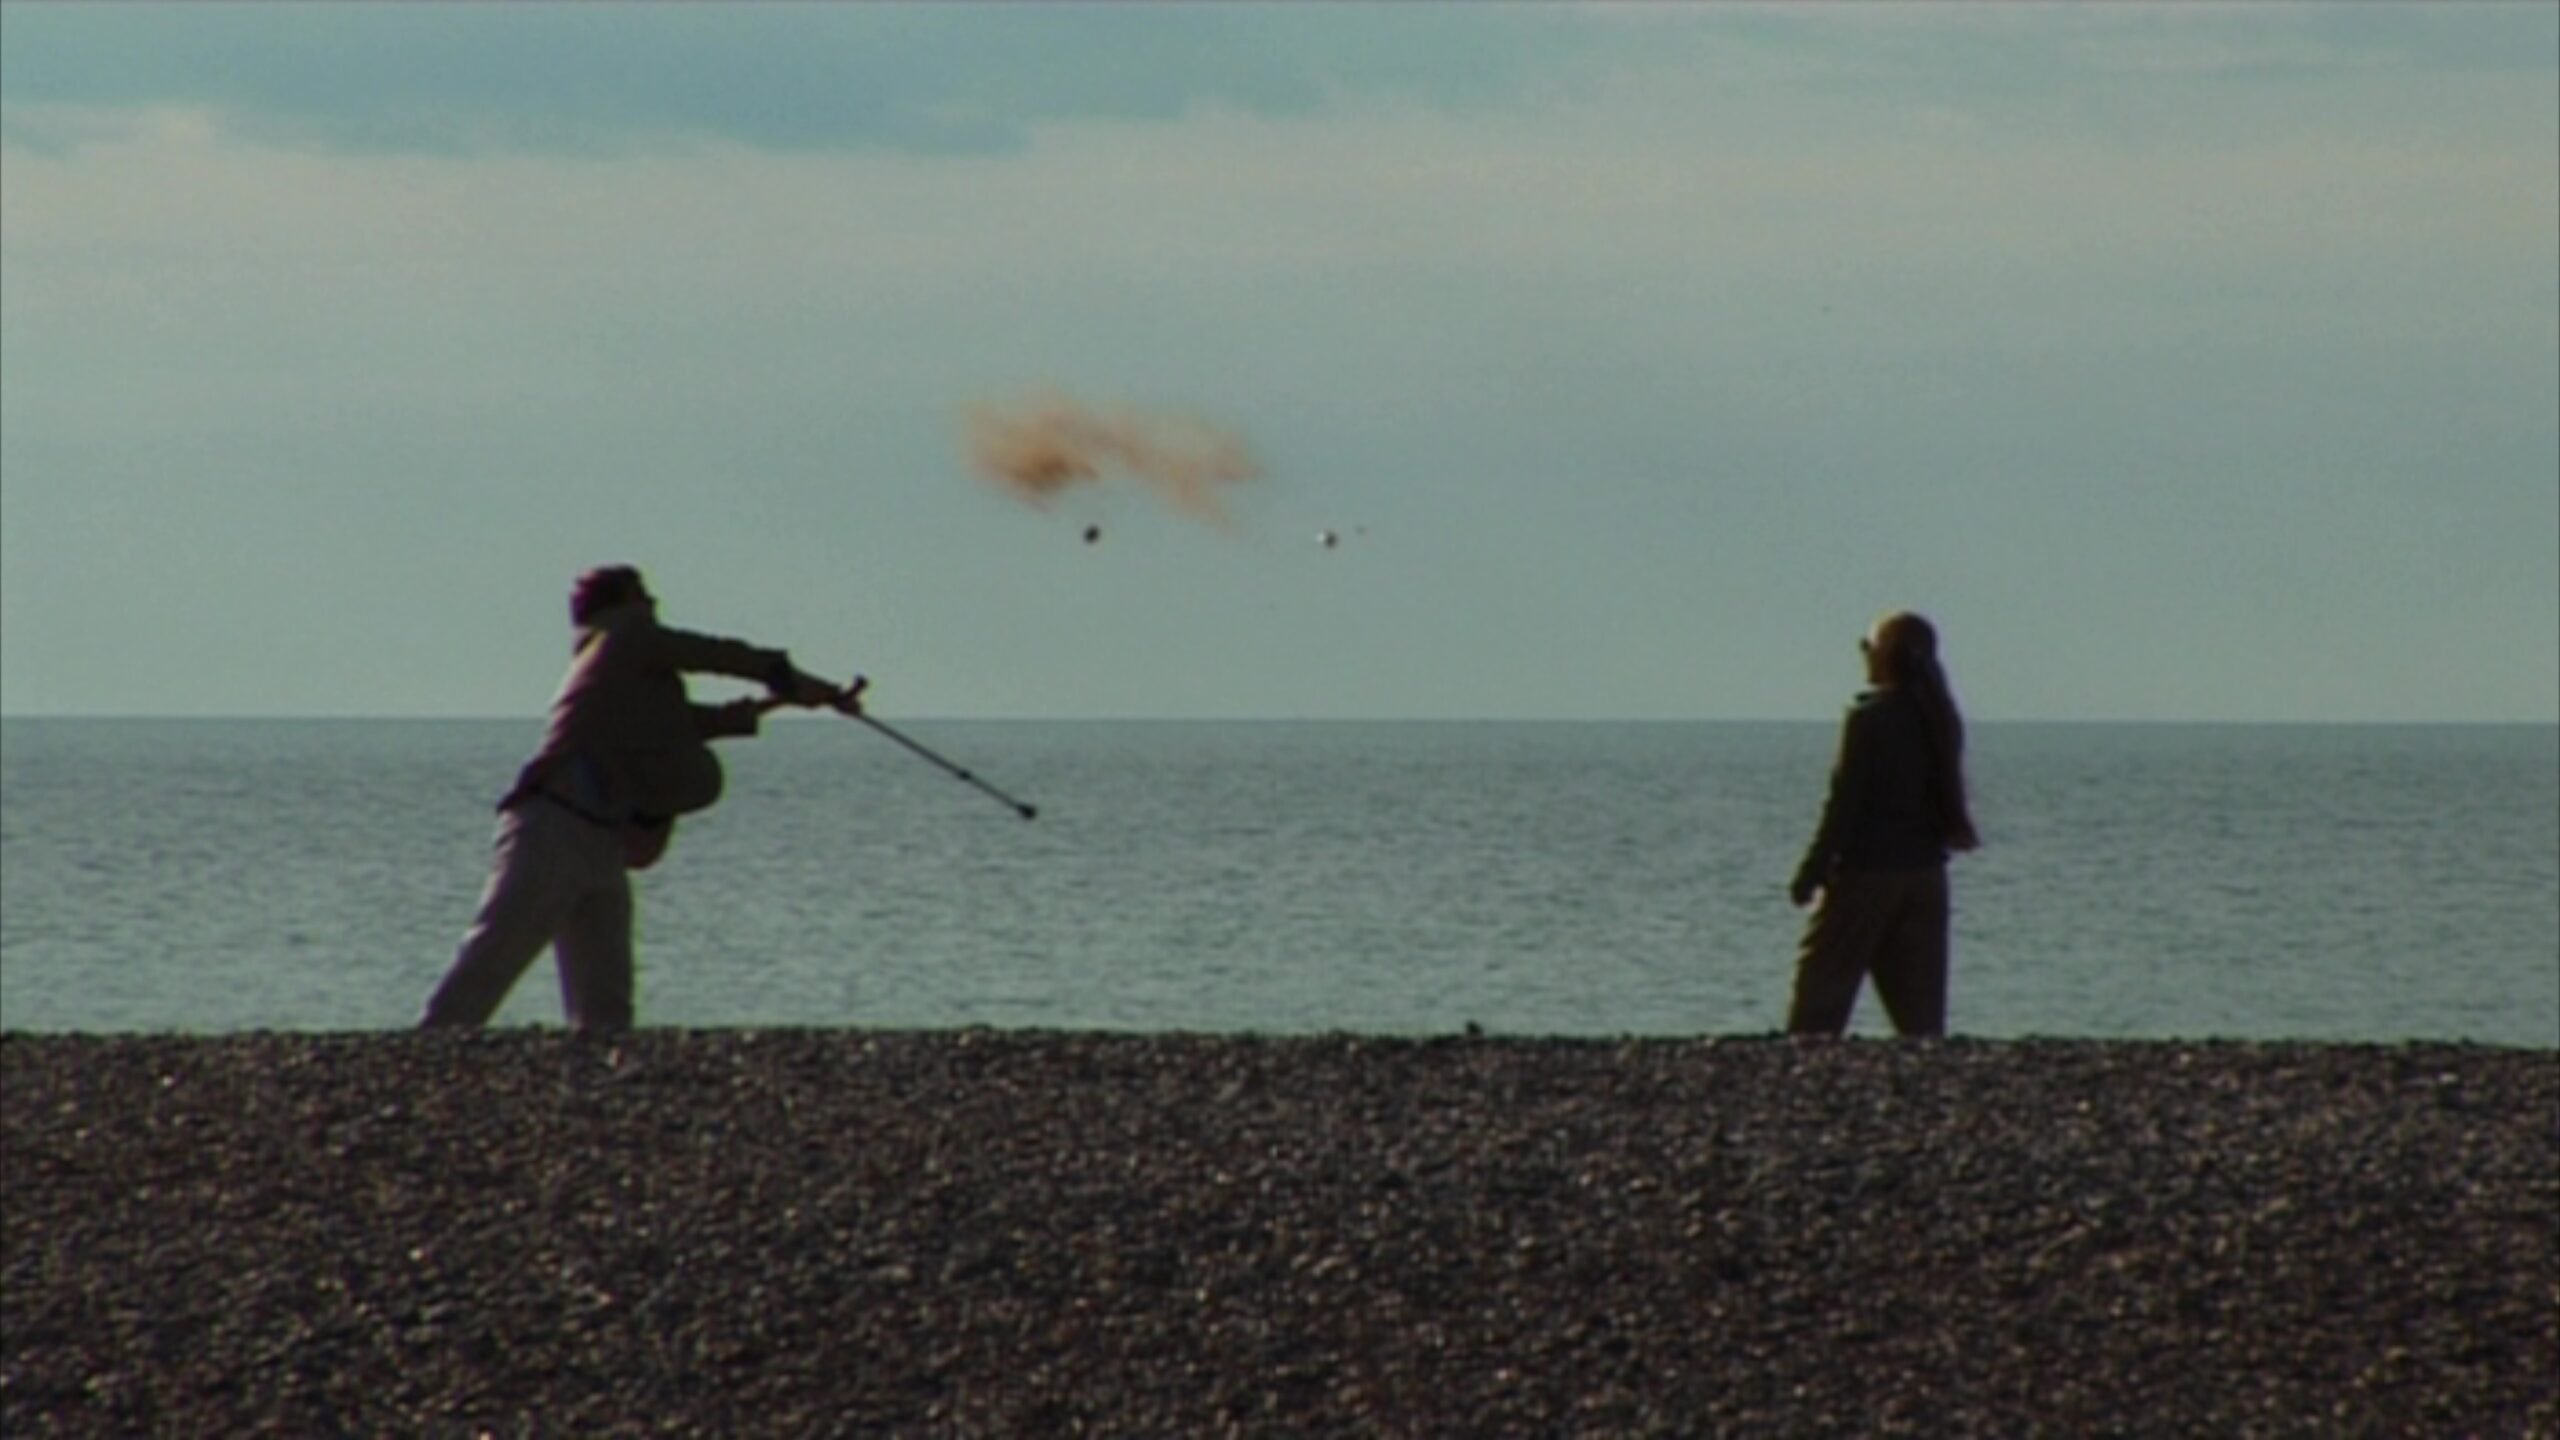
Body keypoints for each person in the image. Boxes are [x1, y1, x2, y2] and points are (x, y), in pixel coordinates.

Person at [420, 565, 855, 1030]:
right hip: (553, 826)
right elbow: (712, 653)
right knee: (492, 960)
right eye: (642, 595)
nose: (653, 604)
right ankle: (427, 1051)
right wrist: (780, 672)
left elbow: (696, 724)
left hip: (601, 837)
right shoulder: (624, 638)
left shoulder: (623, 678)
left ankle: (596, 1071)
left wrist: (791, 697)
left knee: (606, 1000)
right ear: (621, 604)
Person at [1785, 611, 1980, 1037]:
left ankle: (1806, 1071)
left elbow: (1844, 805)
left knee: (1819, 1001)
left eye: (1867, 646)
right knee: (1920, 1018)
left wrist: (1812, 871)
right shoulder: (1940, 719)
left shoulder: (1869, 720)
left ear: (1886, 654)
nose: (1863, 655)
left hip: (1868, 874)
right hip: (1926, 875)